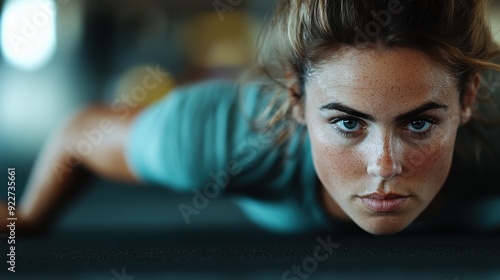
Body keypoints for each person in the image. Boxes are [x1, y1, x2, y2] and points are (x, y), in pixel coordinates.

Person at [2, 0, 500, 236]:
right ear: (296, 98)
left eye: (418, 124)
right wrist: (28, 218)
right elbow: (78, 135)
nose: (384, 166)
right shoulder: (223, 135)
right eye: (348, 123)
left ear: (468, 97)